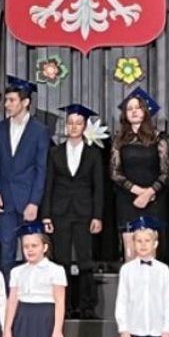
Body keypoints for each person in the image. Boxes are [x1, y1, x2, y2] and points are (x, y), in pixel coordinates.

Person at [43, 103, 105, 318]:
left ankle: (87, 307)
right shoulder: (55, 152)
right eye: (70, 123)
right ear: (66, 125)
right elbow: (48, 185)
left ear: (84, 126)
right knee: (61, 260)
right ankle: (65, 306)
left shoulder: (94, 154)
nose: (74, 127)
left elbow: (99, 187)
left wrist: (97, 216)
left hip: (84, 212)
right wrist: (46, 215)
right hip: (60, 211)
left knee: (85, 259)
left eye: (78, 123)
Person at [0, 76, 50, 275]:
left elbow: (41, 169)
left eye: (12, 100)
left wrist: (34, 202)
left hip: (27, 200)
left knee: (31, 250)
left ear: (25, 102)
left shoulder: (40, 130)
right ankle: (7, 292)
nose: (7, 104)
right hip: (5, 199)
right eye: (6, 100)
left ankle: (29, 291)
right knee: (6, 250)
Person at [111, 88, 169, 257]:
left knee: (151, 253)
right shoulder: (119, 140)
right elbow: (115, 173)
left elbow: (166, 173)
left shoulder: (159, 139)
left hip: (154, 201)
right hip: (128, 200)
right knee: (130, 255)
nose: (134, 111)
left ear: (145, 111)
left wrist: (149, 193)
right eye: (129, 109)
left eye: (137, 108)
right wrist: (139, 192)